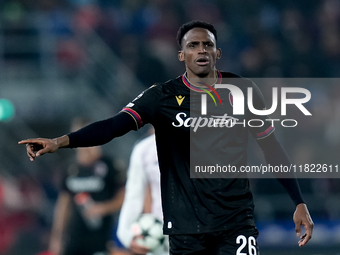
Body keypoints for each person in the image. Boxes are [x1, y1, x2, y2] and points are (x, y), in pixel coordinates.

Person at [19, 20, 314, 254]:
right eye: (193, 45)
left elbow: (271, 148)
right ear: (181, 54)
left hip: (236, 221)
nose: (201, 50)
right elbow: (112, 127)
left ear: (217, 52)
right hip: (185, 228)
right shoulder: (160, 97)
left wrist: (298, 201)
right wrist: (60, 141)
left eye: (207, 45)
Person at [48, 117, 125, 255]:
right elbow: (63, 204)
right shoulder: (69, 168)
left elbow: (124, 198)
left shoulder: (111, 165)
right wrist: (57, 236)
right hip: (74, 238)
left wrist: (103, 208)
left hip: (103, 237)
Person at [117, 130, 169, 255]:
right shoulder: (144, 150)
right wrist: (126, 235)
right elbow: (134, 196)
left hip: (204, 235)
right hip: (159, 238)